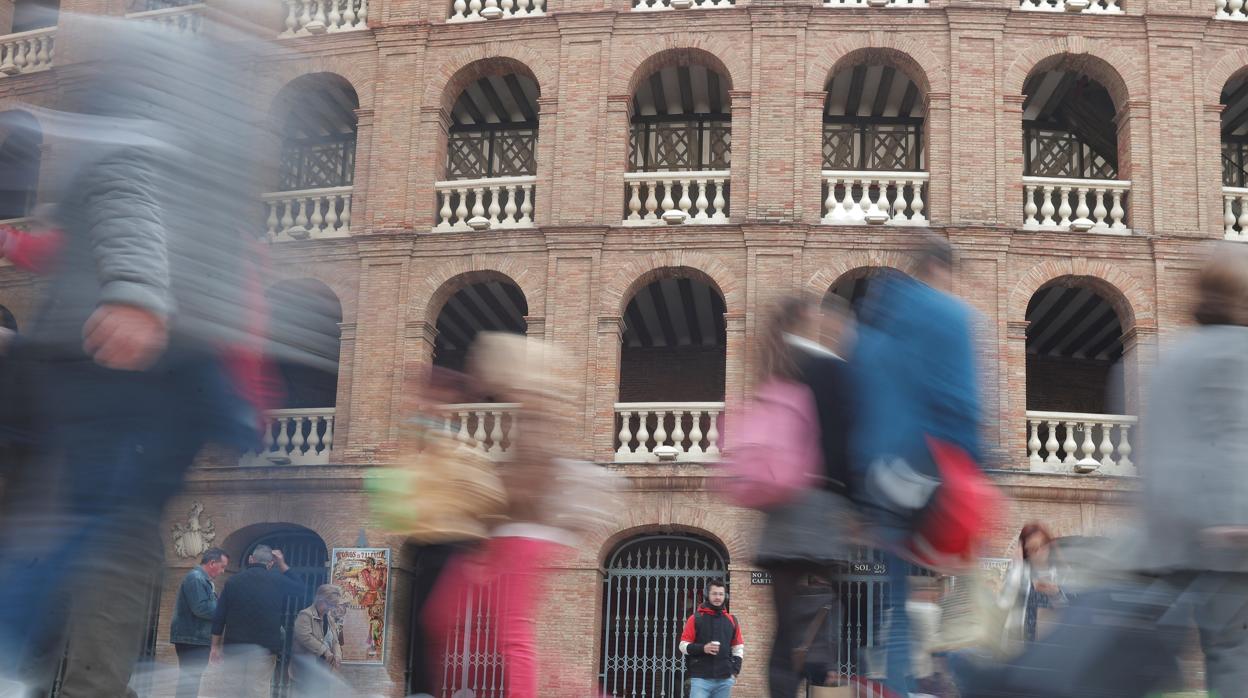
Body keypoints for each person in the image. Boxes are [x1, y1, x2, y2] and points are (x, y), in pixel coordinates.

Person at [0, 8, 281, 694]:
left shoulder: (230, 86)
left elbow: (219, 253)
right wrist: (136, 293)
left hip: (176, 353)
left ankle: (51, 666)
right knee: (94, 515)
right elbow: (122, 178)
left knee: (112, 519)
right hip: (122, 344)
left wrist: (233, 383)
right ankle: (20, 653)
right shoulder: (161, 60)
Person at [423, 333, 624, 698]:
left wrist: (489, 525)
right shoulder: (528, 417)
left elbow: (528, 484)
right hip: (508, 535)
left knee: (510, 634)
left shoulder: (537, 417)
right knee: (445, 616)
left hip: (523, 536)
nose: (483, 382)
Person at [851, 236, 983, 697]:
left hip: (883, 476)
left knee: (895, 598)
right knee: (968, 593)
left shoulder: (871, 334)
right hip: (933, 467)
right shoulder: (951, 316)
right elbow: (959, 399)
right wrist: (976, 466)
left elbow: (860, 407)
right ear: (942, 271)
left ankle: (898, 689)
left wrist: (863, 486)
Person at [751, 294, 857, 698]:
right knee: (830, 609)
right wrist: (857, 504)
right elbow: (843, 444)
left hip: (778, 514)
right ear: (808, 318)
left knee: (784, 632)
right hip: (820, 511)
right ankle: (824, 678)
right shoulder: (830, 369)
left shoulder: (775, 365)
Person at [209, 545, 306, 698]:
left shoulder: (233, 582)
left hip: (235, 647)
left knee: (231, 690)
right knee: (258, 691)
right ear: (271, 564)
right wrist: (282, 564)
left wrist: (215, 646)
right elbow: (301, 589)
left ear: (250, 559)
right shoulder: (277, 580)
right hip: (264, 649)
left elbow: (219, 616)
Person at [169, 547, 229, 698]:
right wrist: (224, 610)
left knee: (190, 682)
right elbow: (201, 608)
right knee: (189, 682)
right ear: (212, 563)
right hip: (192, 639)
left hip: (194, 638)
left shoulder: (201, 579)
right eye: (222, 567)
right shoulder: (196, 578)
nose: (223, 571)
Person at [678, 578, 745, 698]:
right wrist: (703, 648)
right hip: (700, 679)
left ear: (725, 596)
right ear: (707, 595)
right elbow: (683, 646)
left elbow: (738, 648)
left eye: (721, 594)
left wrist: (735, 671)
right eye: (714, 594)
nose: (718, 597)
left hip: (724, 680)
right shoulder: (695, 619)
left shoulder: (731, 620)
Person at [292, 584, 344, 697]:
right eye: (329, 604)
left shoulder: (329, 619)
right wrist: (325, 651)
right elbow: (305, 637)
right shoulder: (305, 615)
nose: (331, 608)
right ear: (320, 599)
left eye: (333, 605)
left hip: (323, 670)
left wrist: (338, 655)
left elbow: (335, 641)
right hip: (306, 670)